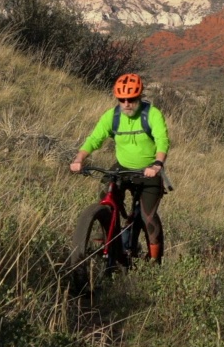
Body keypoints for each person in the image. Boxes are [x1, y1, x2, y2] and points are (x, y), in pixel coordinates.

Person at [70, 73, 171, 263]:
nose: (126, 103)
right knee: (104, 194)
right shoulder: (112, 116)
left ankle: (155, 262)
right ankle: (106, 235)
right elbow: (94, 139)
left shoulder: (152, 115)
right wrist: (79, 158)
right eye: (122, 99)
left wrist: (158, 163)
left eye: (131, 99)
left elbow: (162, 140)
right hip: (122, 167)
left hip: (149, 170)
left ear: (139, 96)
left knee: (148, 217)